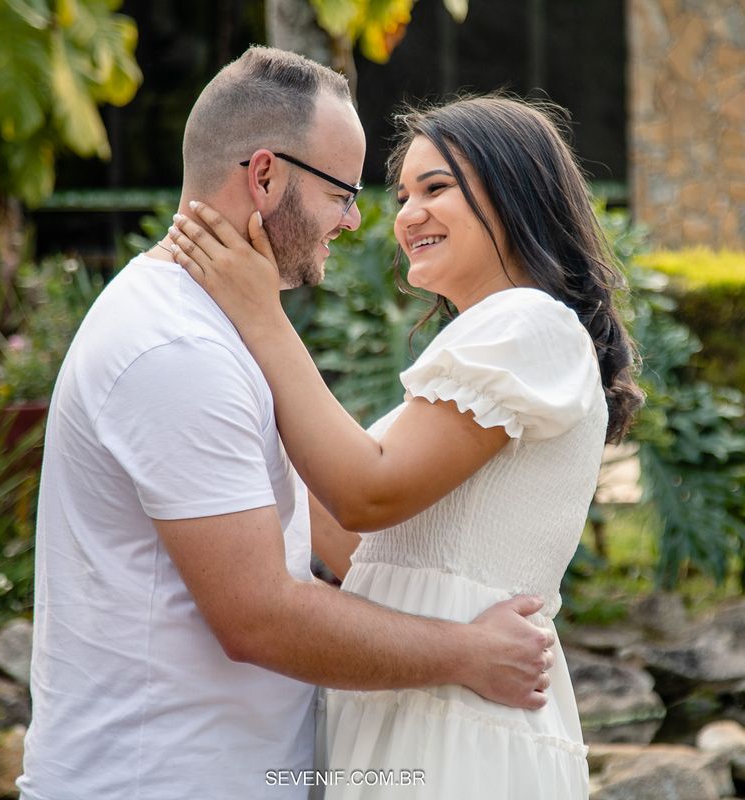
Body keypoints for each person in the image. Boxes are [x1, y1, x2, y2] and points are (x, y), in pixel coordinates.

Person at [17, 49, 558, 800]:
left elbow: (328, 538)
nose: (355, 217)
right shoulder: (177, 348)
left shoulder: (221, 329)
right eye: (342, 190)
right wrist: (466, 653)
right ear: (265, 176)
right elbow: (260, 617)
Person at [167, 93, 644, 798]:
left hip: (461, 725)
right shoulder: (494, 338)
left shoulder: (528, 323)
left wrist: (259, 315)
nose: (408, 214)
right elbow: (351, 542)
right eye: (402, 195)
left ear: (516, 193)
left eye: (437, 188)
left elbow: (368, 493)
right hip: (421, 700)